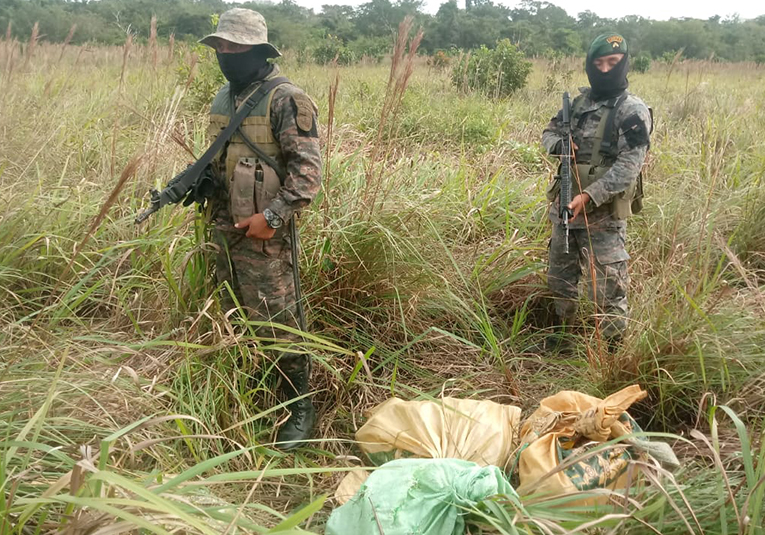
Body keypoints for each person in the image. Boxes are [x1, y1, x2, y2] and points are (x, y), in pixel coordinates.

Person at [199, 8, 322, 449]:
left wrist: (270, 219)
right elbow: (220, 160)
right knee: (236, 312)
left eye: (236, 47)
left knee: (280, 320)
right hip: (223, 229)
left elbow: (307, 174)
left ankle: (300, 407)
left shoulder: (286, 99)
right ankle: (259, 389)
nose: (227, 54)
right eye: (222, 47)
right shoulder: (221, 98)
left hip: (265, 237)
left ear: (259, 51)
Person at [541, 33, 652, 350]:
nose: (604, 70)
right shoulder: (578, 105)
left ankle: (613, 353)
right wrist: (560, 144)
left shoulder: (632, 111)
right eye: (598, 63)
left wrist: (588, 197)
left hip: (601, 216)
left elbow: (628, 168)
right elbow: (548, 132)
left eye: (612, 63)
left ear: (624, 64)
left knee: (608, 286)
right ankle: (560, 339)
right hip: (565, 206)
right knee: (560, 278)